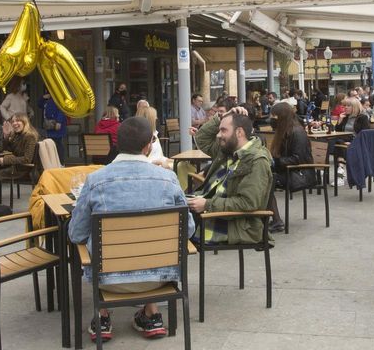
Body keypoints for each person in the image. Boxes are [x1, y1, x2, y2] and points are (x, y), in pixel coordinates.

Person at [68, 116, 193, 341]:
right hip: (159, 279)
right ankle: (152, 314)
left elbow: (76, 233)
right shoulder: (169, 179)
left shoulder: (95, 180)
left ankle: (103, 315)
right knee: (150, 240)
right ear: (148, 146)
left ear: (116, 144)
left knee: (98, 245)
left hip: (108, 281)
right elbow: (189, 229)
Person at [187, 107, 274, 246]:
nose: (218, 135)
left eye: (223, 130)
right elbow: (201, 138)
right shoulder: (228, 150)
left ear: (239, 132)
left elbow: (248, 203)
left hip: (232, 225)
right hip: (207, 213)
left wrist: (207, 204)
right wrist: (222, 117)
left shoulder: (257, 161)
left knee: (171, 232)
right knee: (167, 214)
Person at [266, 102, 311, 232]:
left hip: (300, 174)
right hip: (288, 171)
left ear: (282, 117)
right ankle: (268, 218)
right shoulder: (285, 131)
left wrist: (275, 162)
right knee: (259, 177)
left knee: (265, 182)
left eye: (274, 117)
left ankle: (276, 221)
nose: (272, 120)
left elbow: (297, 159)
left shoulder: (297, 132)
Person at [133, 100, 171, 169]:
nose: (156, 118)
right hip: (152, 168)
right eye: (155, 117)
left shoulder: (153, 133)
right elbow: (137, 161)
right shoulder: (139, 136)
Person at [39, 93, 68, 165]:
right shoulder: (47, 98)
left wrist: (59, 121)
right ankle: (53, 163)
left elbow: (62, 109)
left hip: (57, 125)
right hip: (49, 126)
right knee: (50, 144)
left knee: (58, 144)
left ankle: (61, 163)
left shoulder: (60, 97)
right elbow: (39, 104)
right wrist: (43, 97)